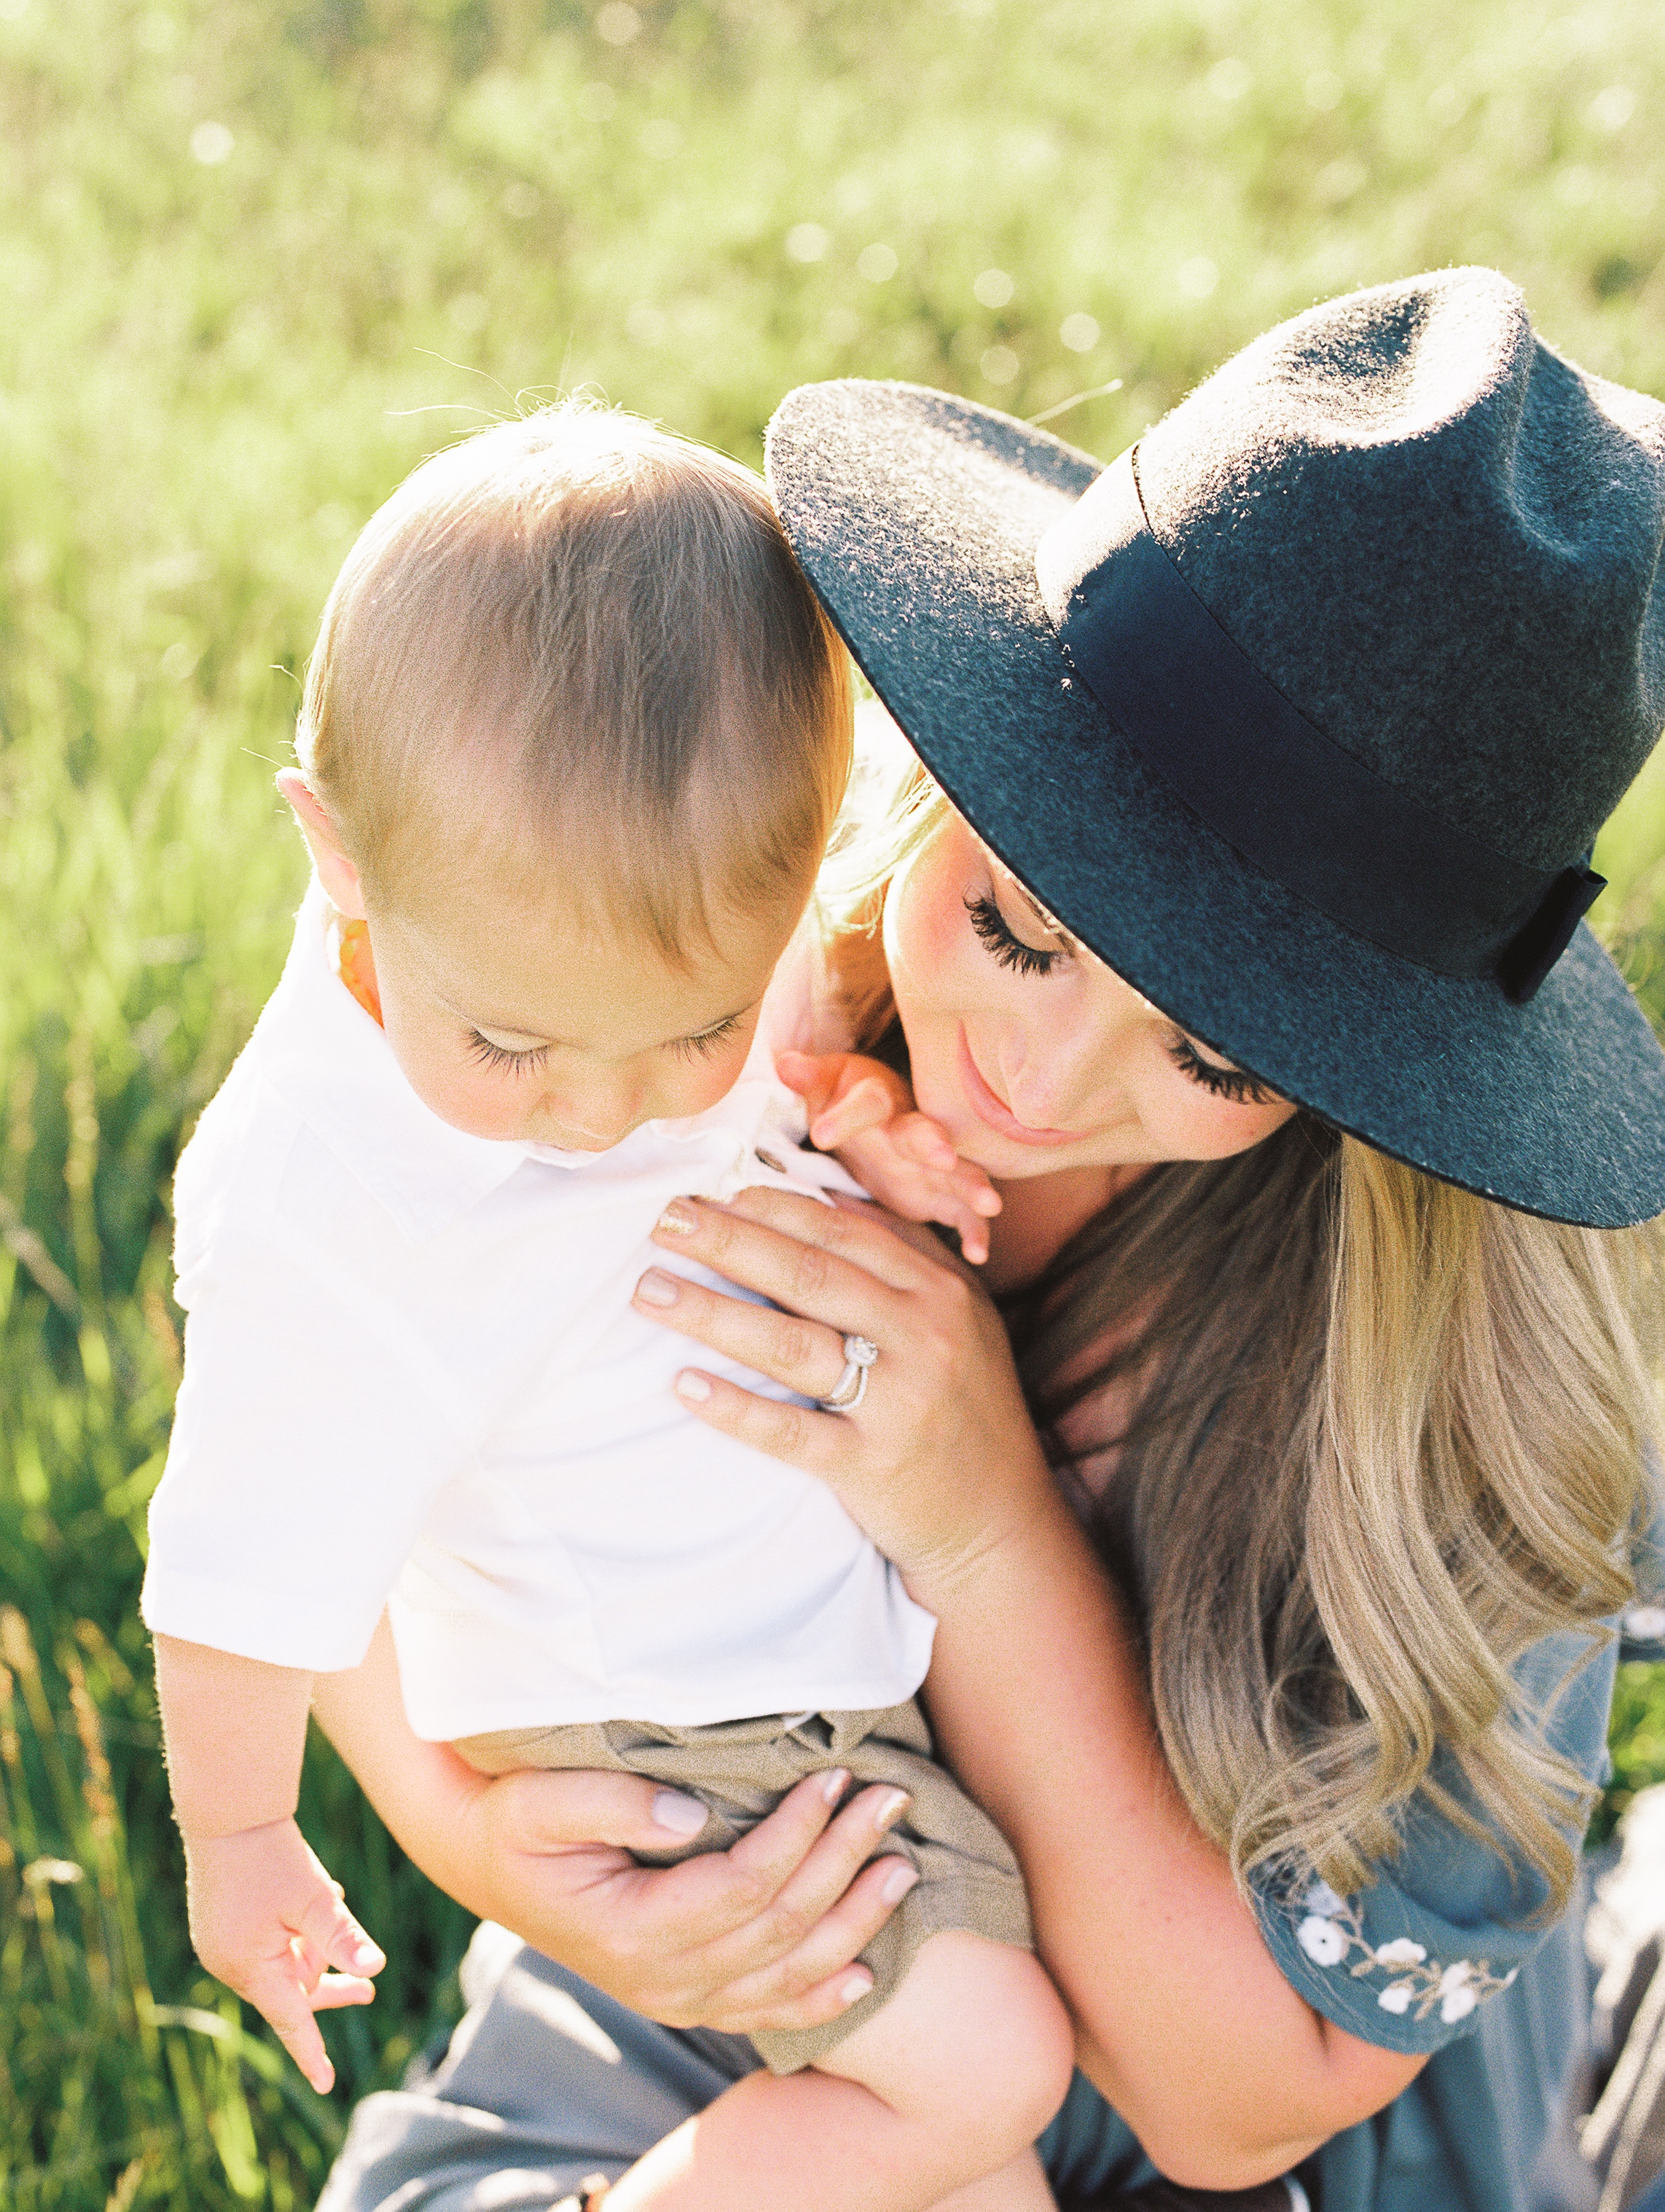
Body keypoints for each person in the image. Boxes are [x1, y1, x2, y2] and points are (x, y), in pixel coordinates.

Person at [310, 268, 1665, 2212]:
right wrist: (471, 1834)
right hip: (791, 1959)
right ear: (955, 771)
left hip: (1226, 2101)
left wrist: (977, 1514)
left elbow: (1243, 2097)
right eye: (1017, 927)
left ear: (1395, 1064)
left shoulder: (1448, 1376)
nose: (1024, 1080)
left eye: (1214, 1050)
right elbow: (302, 1363)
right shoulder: (722, 946)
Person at [139, 402, 1085, 2212]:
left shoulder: (605, 930)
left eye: (695, 1034)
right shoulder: (330, 1200)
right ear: (339, 858)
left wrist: (833, 1104)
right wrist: (242, 1837)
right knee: (984, 2069)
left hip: (799, 1668)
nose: (603, 1112)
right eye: (511, 1045)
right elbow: (237, 1577)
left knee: (968, 2175)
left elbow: (761, 1064)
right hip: (662, 1722)